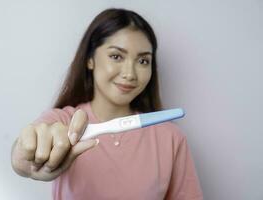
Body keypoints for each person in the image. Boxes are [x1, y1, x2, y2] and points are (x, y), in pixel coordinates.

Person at [11, 8, 203, 200]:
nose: (130, 73)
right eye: (116, 56)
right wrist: (28, 158)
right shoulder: (62, 121)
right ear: (90, 59)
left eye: (143, 61)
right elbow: (22, 157)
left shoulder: (170, 137)